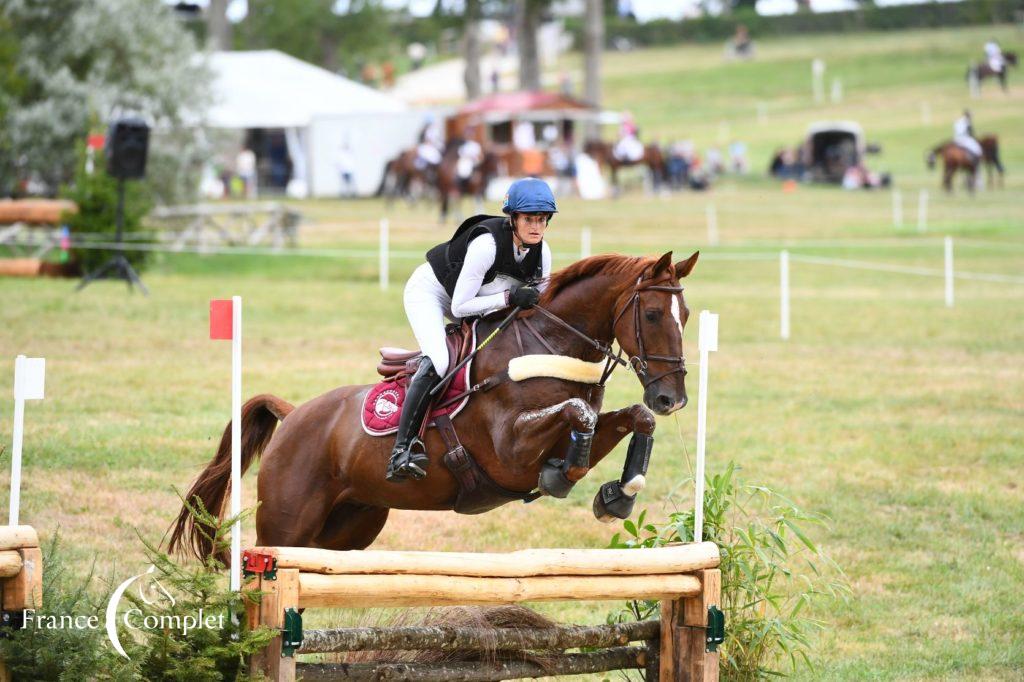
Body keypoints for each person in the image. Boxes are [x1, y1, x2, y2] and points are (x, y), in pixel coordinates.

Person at [386, 178, 556, 482]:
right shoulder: (487, 244)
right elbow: (461, 307)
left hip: (479, 300)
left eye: (542, 219)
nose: (536, 227)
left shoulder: (542, 255)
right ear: (513, 218)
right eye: (529, 219)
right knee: (439, 360)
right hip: (434, 293)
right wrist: (509, 297)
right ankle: (402, 449)